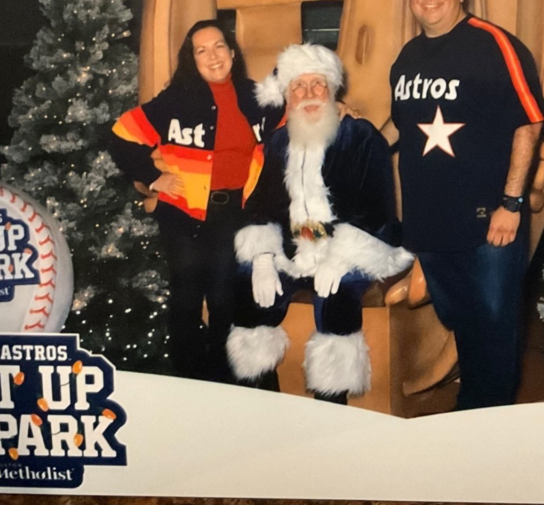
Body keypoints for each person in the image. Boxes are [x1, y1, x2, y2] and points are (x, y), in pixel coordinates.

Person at [390, 0, 544, 410]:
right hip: (430, 221)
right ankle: (472, 411)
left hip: (489, 221)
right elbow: (402, 129)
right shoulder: (406, 57)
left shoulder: (494, 44)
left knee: (494, 325)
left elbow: (530, 123)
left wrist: (511, 203)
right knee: (460, 319)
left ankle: (488, 424)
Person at [228, 44, 413, 404]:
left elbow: (376, 209)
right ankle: (260, 398)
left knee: (336, 298)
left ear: (332, 90)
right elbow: (262, 204)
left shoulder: (361, 136)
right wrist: (263, 257)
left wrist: (340, 258)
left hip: (355, 248)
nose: (309, 93)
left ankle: (332, 405)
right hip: (295, 248)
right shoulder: (278, 141)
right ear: (287, 96)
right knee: (247, 287)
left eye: (318, 84)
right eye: (299, 86)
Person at [108, 20, 281, 383]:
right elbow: (122, 136)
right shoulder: (175, 100)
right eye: (201, 50)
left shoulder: (256, 97)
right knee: (186, 300)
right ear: (192, 59)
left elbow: (298, 111)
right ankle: (187, 382)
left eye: (218, 46)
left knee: (223, 299)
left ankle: (221, 383)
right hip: (182, 215)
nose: (212, 56)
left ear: (232, 52)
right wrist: (154, 178)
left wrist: (340, 106)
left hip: (233, 214)